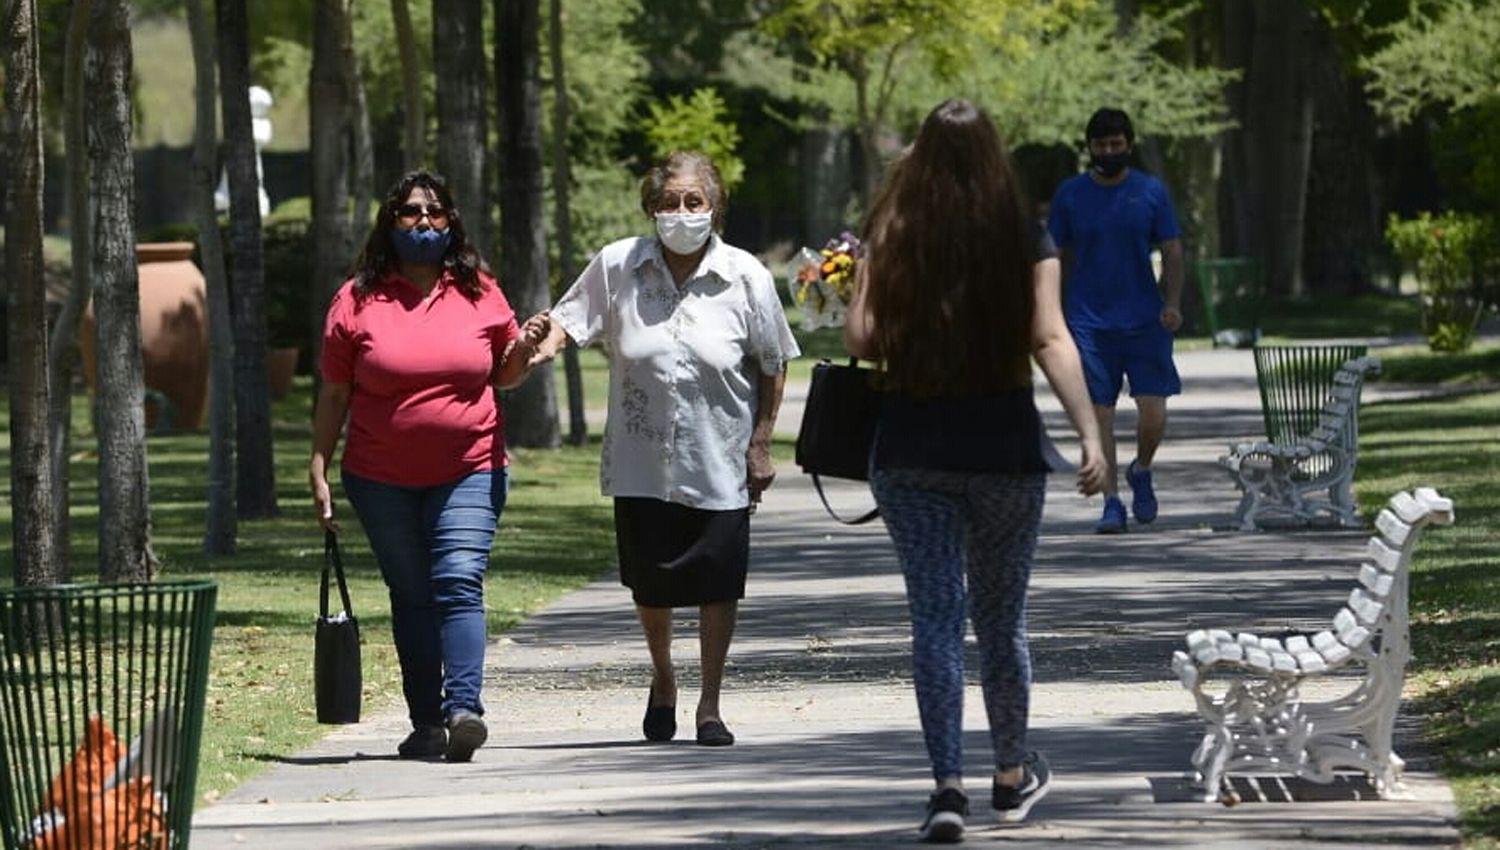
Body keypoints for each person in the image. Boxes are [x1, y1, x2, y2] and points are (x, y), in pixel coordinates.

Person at [844, 99, 1107, 841]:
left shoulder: (894, 232)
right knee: (1000, 621)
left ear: (921, 157)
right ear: (995, 157)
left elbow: (861, 338)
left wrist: (869, 278)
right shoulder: (1023, 235)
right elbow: (1051, 338)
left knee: (934, 621)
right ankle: (1011, 775)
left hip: (913, 453)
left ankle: (946, 788)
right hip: (1005, 455)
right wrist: (1091, 436)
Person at [522, 151, 800, 747]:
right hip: (640, 458)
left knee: (718, 582)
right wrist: (543, 344)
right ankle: (664, 677)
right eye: (669, 202)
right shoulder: (619, 264)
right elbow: (572, 319)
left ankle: (710, 704)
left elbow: (773, 363)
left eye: (693, 202)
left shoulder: (746, 274)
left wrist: (761, 444)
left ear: (714, 207)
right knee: (652, 583)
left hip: (719, 453)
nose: (680, 213)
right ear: (652, 207)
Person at [309, 170, 544, 763]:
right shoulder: (356, 299)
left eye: (434, 213)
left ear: (451, 223)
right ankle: (426, 723)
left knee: (459, 578)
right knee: (411, 594)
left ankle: (464, 709)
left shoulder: (480, 291)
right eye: (410, 212)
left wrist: (524, 351)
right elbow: (335, 393)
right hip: (380, 475)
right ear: (390, 223)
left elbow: (504, 372)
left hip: (470, 464)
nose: (423, 222)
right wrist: (319, 463)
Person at [1046, 107, 1185, 534]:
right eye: (1102, 145)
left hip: (1145, 318)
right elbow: (1053, 255)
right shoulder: (1070, 195)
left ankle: (1141, 468)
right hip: (1088, 321)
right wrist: (1054, 312)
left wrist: (1173, 301)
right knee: (1099, 414)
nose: (1109, 151)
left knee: (1154, 415)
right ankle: (1111, 502)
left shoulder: (1150, 192)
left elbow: (1174, 249)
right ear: (1090, 148)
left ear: (1128, 144)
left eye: (1117, 144)